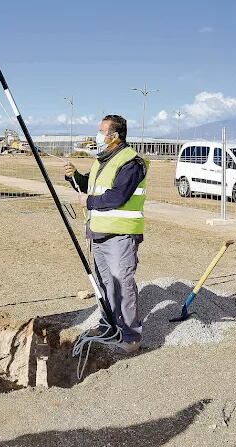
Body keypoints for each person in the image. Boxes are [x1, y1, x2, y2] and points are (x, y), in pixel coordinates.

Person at [64, 114, 148, 354]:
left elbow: (118, 196)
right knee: (104, 283)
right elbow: (90, 185)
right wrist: (74, 177)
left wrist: (88, 201)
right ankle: (109, 325)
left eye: (103, 132)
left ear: (115, 136)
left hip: (120, 235)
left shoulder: (131, 162)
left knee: (123, 282)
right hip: (99, 233)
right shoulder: (102, 160)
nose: (99, 136)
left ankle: (131, 336)